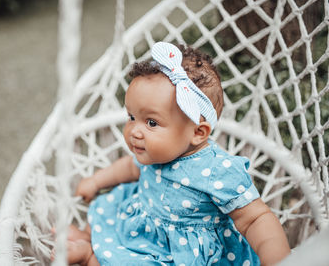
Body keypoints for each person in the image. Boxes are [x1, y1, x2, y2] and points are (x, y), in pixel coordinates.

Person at [67, 42, 290, 265]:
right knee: (109, 211)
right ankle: (88, 239)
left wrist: (276, 257)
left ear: (198, 132)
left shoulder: (217, 171)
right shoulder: (152, 153)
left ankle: (89, 256)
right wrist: (96, 181)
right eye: (131, 117)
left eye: (151, 122)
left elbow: (255, 219)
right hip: (141, 227)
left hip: (179, 253)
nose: (134, 130)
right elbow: (129, 167)